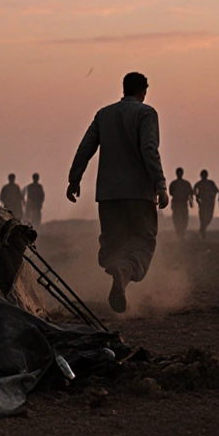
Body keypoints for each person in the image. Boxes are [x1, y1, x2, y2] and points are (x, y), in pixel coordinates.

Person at [67, 72, 168, 313]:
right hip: (139, 193)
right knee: (143, 241)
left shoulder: (104, 115)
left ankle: (117, 268)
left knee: (113, 242)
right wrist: (160, 184)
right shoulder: (146, 113)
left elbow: (85, 147)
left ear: (124, 89)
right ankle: (125, 272)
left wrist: (74, 179)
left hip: (109, 194)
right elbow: (149, 149)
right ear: (143, 91)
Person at [168, 167, 194, 240]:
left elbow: (190, 193)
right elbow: (171, 193)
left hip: (183, 203)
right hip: (177, 203)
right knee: (176, 220)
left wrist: (191, 201)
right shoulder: (174, 183)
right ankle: (179, 234)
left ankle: (182, 234)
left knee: (184, 219)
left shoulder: (185, 183)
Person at [194, 169, 219, 239]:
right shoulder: (199, 183)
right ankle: (203, 231)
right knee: (202, 217)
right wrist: (197, 198)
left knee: (209, 217)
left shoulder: (210, 183)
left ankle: (202, 228)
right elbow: (194, 190)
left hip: (210, 203)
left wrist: (213, 197)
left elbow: (216, 191)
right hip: (203, 202)